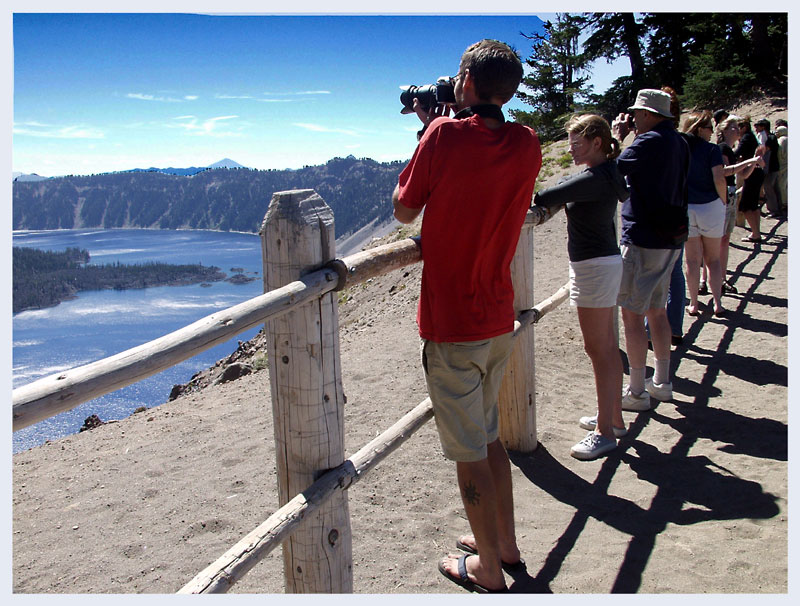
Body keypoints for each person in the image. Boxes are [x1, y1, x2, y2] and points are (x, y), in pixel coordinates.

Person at [392, 39, 542, 594]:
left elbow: (405, 207)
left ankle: (488, 573)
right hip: (496, 316)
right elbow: (487, 166)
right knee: (490, 437)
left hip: (452, 322)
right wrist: (449, 123)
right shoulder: (528, 143)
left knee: (469, 452)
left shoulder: (443, 135)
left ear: (468, 82)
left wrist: (434, 129)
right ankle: (502, 545)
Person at [533, 114, 628, 460]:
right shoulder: (606, 173)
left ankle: (605, 433)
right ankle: (612, 419)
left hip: (593, 268)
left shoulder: (595, 177)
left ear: (597, 143)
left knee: (598, 349)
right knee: (605, 347)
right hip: (601, 265)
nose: (570, 148)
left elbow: (547, 195)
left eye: (576, 142)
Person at [611, 89, 689, 412]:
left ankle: (637, 390)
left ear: (647, 114)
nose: (634, 119)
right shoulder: (679, 142)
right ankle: (663, 382)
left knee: (631, 315)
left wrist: (619, 138)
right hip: (671, 238)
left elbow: (613, 169)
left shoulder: (648, 141)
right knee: (657, 311)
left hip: (644, 238)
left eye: (637, 114)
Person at [708, 115, 765, 295]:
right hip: (725, 195)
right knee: (719, 241)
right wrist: (748, 162)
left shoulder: (730, 150)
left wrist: (754, 161)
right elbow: (724, 173)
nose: (737, 130)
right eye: (732, 127)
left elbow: (743, 175)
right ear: (723, 131)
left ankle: (718, 278)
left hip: (730, 194)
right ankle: (715, 280)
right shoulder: (723, 148)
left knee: (723, 240)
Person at [680, 111, 727, 317]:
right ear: (700, 129)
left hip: (688, 207)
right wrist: (724, 199)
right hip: (710, 206)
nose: (712, 132)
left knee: (691, 260)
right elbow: (719, 178)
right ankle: (717, 302)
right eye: (709, 128)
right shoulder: (712, 150)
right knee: (713, 259)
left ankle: (694, 304)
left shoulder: (681, 151)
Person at [735, 117, 766, 243]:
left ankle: (755, 233)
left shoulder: (746, 138)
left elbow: (736, 153)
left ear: (743, 128)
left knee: (746, 205)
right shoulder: (751, 137)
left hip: (752, 172)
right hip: (757, 172)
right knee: (753, 205)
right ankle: (756, 233)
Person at [754, 118, 782, 218]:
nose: (756, 128)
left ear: (763, 127)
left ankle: (774, 210)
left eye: (757, 126)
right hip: (773, 167)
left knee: (769, 188)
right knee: (774, 188)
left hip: (771, 167)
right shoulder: (770, 137)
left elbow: (765, 150)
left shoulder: (770, 138)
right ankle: (778, 208)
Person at [775, 123, 788, 214]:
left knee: (782, 186)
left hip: (782, 165)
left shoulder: (780, 141)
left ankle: (784, 203)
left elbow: (779, 154)